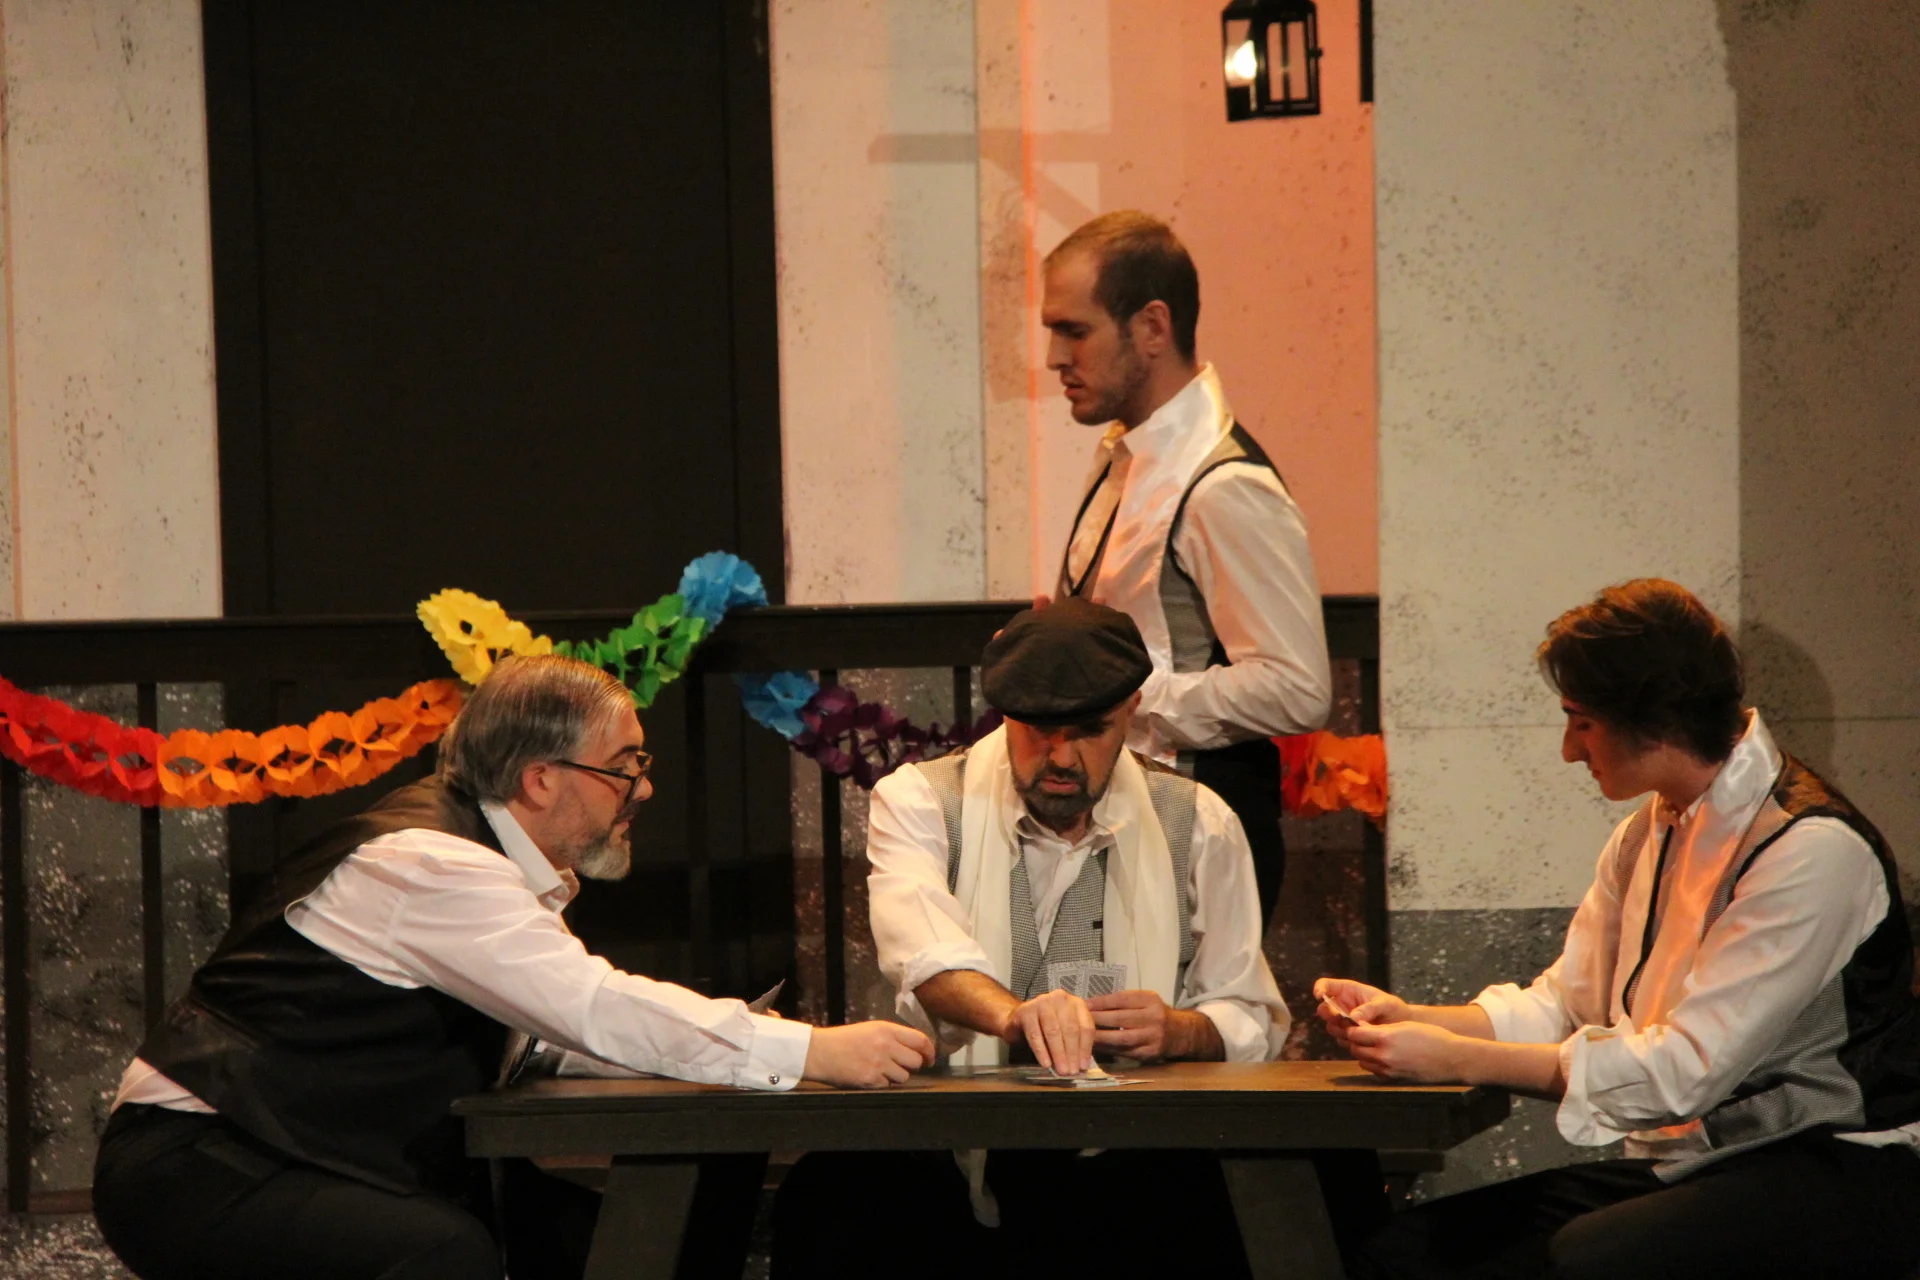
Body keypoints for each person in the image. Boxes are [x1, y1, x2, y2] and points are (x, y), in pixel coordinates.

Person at [91, 653, 933, 1280]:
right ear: (540, 778)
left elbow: (551, 1035)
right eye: (624, 767)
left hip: (292, 1151)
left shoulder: (488, 861)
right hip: (201, 1162)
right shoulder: (434, 864)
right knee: (442, 1254)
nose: (642, 790)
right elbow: (591, 1005)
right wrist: (809, 1050)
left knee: (592, 1240)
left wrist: (737, 1047)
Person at [1314, 579, 1920, 1280]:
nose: (1569, 750)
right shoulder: (1647, 832)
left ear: (1652, 718)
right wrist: (1412, 1020)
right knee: (1402, 1253)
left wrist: (1457, 1060)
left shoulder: (1808, 849)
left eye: (1581, 722)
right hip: (1702, 1163)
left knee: (1593, 1259)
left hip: (1841, 1159)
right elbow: (1565, 1005)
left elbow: (1682, 1071)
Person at [772, 598, 1296, 1279]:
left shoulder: (1200, 822)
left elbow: (1249, 1013)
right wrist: (1015, 1016)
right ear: (1005, 714)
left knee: (1223, 1204)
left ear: (1132, 709)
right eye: (1039, 730)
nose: (1062, 757)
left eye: (1090, 731)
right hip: (947, 1141)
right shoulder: (920, 801)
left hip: (1127, 1160)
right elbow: (926, 957)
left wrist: (1179, 1030)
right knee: (831, 1198)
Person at [1041, 209, 1331, 926]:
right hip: (1122, 830)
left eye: (1074, 331)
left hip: (1199, 843)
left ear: (1151, 327)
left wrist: (1125, 699)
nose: (1053, 357)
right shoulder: (1127, 454)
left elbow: (1298, 690)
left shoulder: (1224, 485)